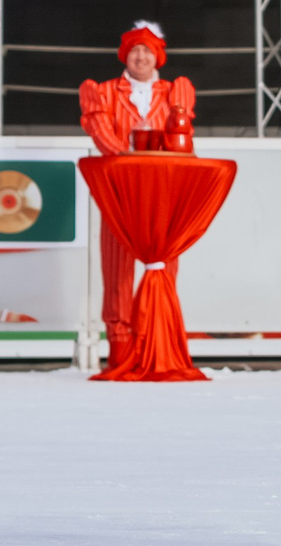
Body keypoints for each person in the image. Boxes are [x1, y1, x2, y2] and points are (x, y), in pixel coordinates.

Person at [80, 21, 197, 366]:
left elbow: (182, 138)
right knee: (116, 273)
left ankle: (158, 346)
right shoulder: (101, 92)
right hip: (120, 194)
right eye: (134, 50)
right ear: (124, 56)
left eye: (147, 50)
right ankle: (120, 352)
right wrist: (131, 164)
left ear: (158, 55)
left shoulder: (175, 91)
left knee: (163, 267)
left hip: (163, 196)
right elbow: (103, 138)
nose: (140, 56)